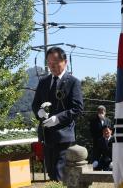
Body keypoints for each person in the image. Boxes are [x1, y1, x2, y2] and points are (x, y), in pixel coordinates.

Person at [32, 47, 84, 181]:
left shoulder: (73, 82)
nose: (52, 66)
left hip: (64, 136)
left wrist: (58, 119)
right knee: (51, 172)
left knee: (60, 173)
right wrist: (39, 112)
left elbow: (77, 108)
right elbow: (35, 104)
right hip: (46, 135)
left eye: (55, 62)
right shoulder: (43, 82)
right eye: (49, 63)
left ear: (65, 62)